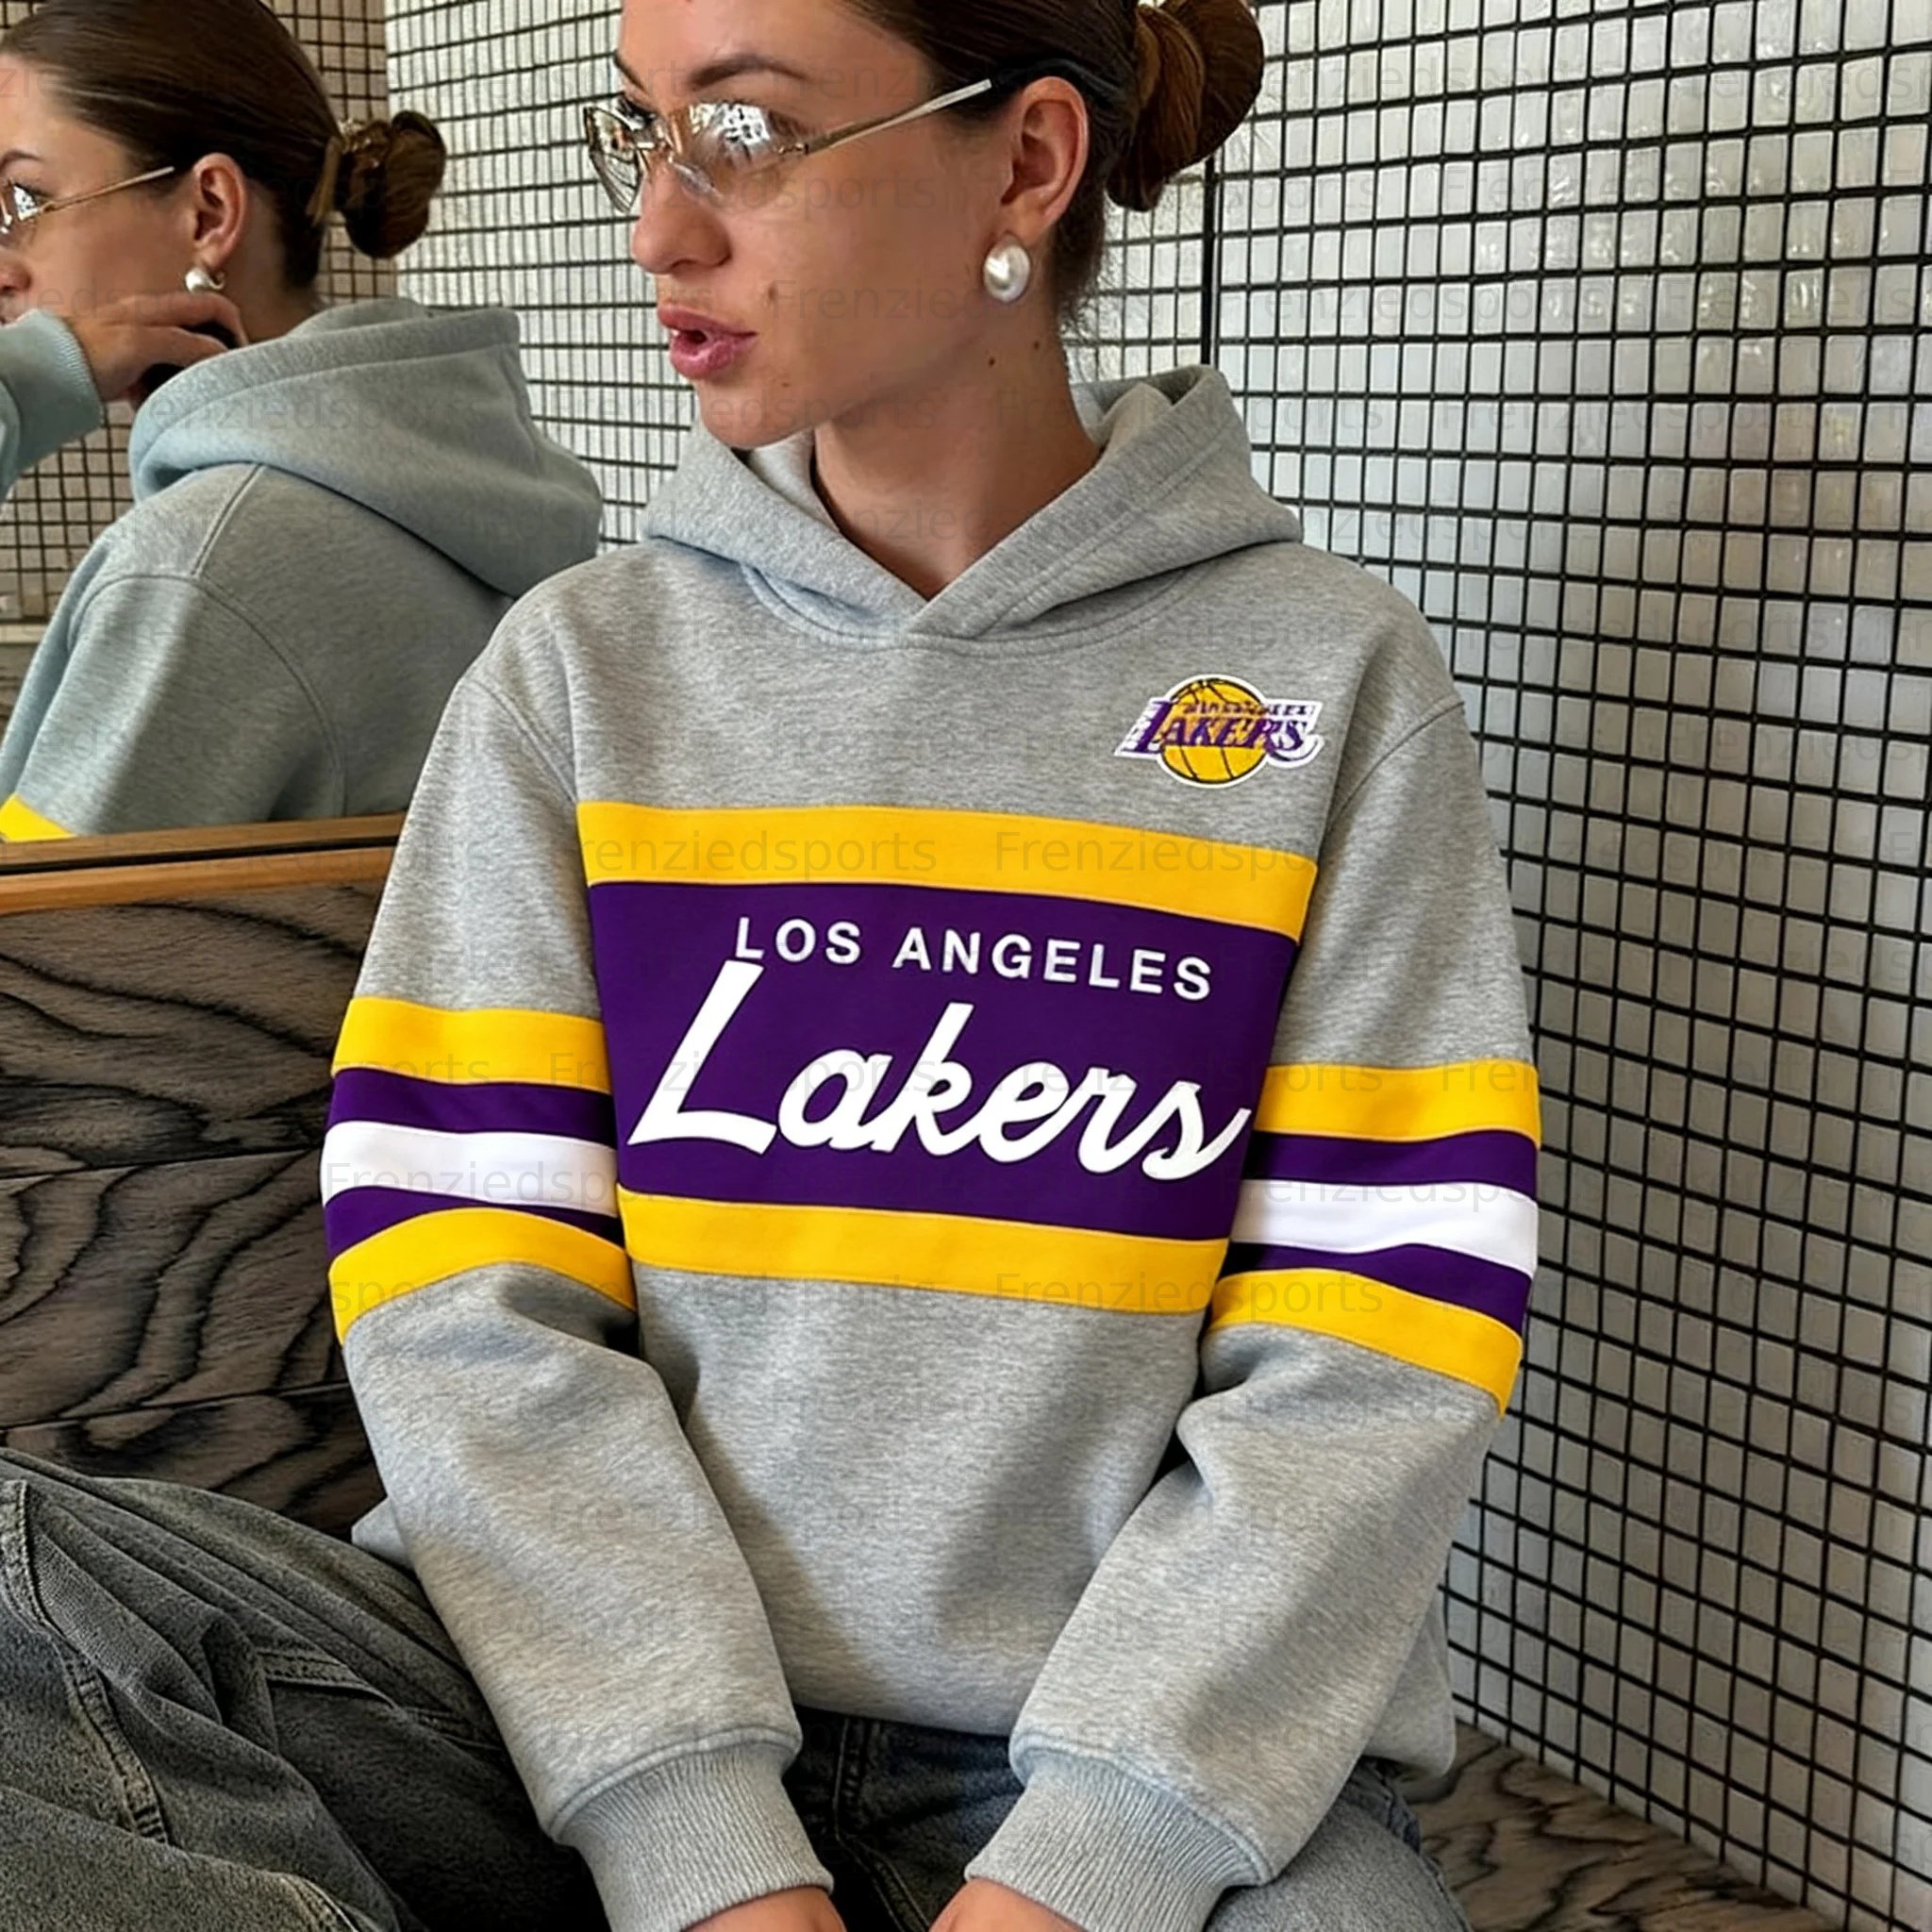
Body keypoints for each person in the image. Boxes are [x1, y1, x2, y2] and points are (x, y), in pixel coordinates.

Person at [0, 0, 1540, 1928]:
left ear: (1026, 162)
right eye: (640, 131)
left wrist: (1089, 1864)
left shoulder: (1326, 684)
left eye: (741, 133)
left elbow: (1372, 1345)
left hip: (1113, 1776)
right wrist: (704, 1852)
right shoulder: (581, 675)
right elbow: (463, 1289)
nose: (660, 226)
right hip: (559, 1732)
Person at [0, 0, 603, 843]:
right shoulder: (471, 480)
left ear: (210, 214)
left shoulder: (197, 568)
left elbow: (46, 925)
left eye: (23, 199)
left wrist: (24, 385)